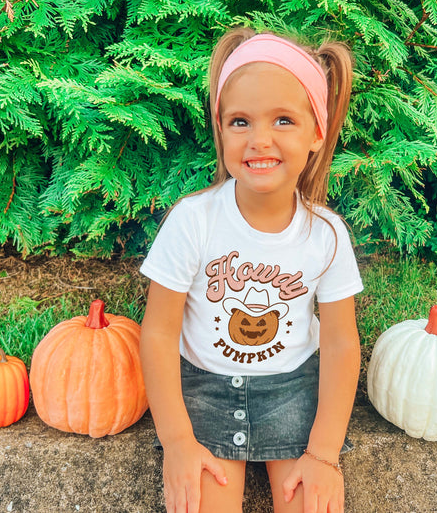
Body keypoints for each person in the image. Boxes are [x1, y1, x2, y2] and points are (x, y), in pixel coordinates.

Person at [139, 27, 363, 513]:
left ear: (316, 133)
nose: (259, 139)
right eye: (240, 121)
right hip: (205, 391)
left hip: (292, 392)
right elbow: (157, 333)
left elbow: (343, 343)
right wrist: (178, 442)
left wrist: (324, 455)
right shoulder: (193, 221)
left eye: (283, 120)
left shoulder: (326, 235)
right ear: (220, 130)